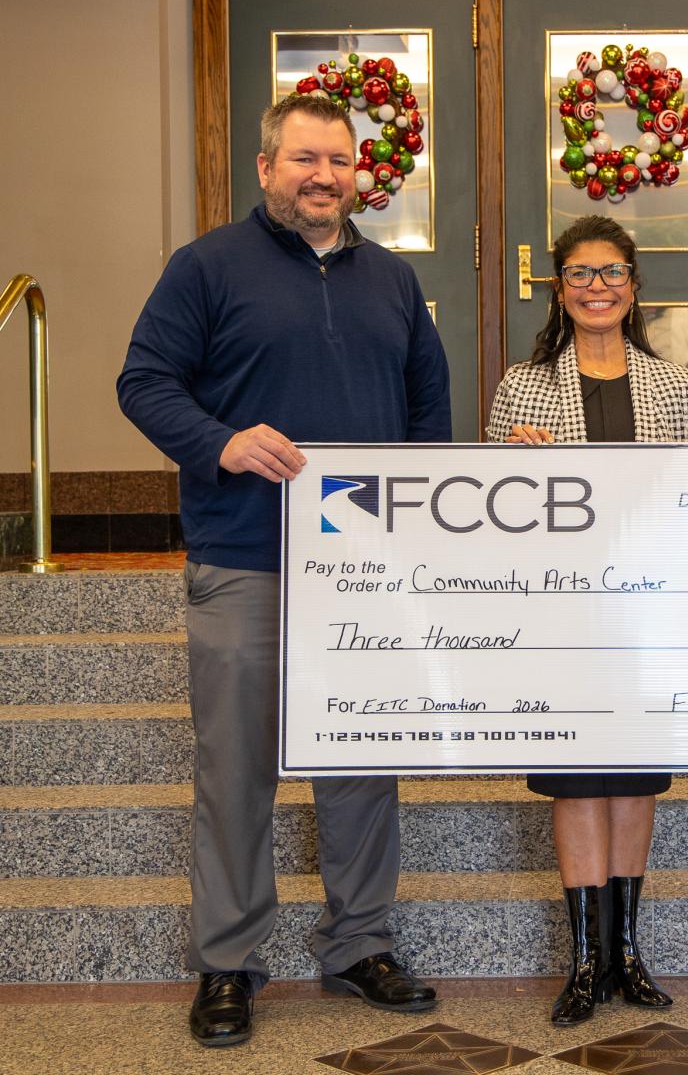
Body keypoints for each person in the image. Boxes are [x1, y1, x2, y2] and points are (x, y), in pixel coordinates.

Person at [117, 93, 451, 1047]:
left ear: (358, 174)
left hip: (365, 574)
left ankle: (360, 945)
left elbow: (427, 415)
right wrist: (219, 442)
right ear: (265, 167)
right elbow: (143, 382)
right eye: (304, 159)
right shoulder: (206, 268)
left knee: (363, 766)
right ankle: (229, 962)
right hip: (246, 560)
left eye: (338, 161)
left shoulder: (393, 281)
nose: (323, 176)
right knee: (237, 774)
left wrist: (423, 540)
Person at [486, 215, 688, 1025]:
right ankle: (584, 962)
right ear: (559, 288)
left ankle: (628, 953)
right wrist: (514, 465)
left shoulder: (673, 384)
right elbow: (487, 513)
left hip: (648, 610)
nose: (597, 287)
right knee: (577, 775)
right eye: (580, 273)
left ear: (634, 285)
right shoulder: (521, 386)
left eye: (612, 272)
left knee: (637, 776)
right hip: (563, 612)